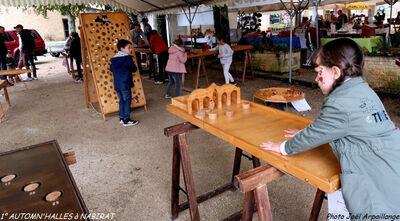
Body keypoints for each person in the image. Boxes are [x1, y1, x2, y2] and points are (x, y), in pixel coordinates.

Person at [260, 38, 400, 215]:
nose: (317, 79)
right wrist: (304, 132)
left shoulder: (338, 103)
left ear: (335, 71)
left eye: (319, 72)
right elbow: (334, 127)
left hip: (372, 173)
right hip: (391, 159)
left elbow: (320, 131)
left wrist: (283, 147)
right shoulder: (362, 88)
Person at [109, 39, 139, 127]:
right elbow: (134, 69)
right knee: (127, 101)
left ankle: (122, 118)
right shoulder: (127, 58)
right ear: (122, 49)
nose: (130, 50)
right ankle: (126, 120)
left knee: (121, 100)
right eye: (128, 48)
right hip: (125, 84)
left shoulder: (114, 59)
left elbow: (111, 69)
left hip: (117, 84)